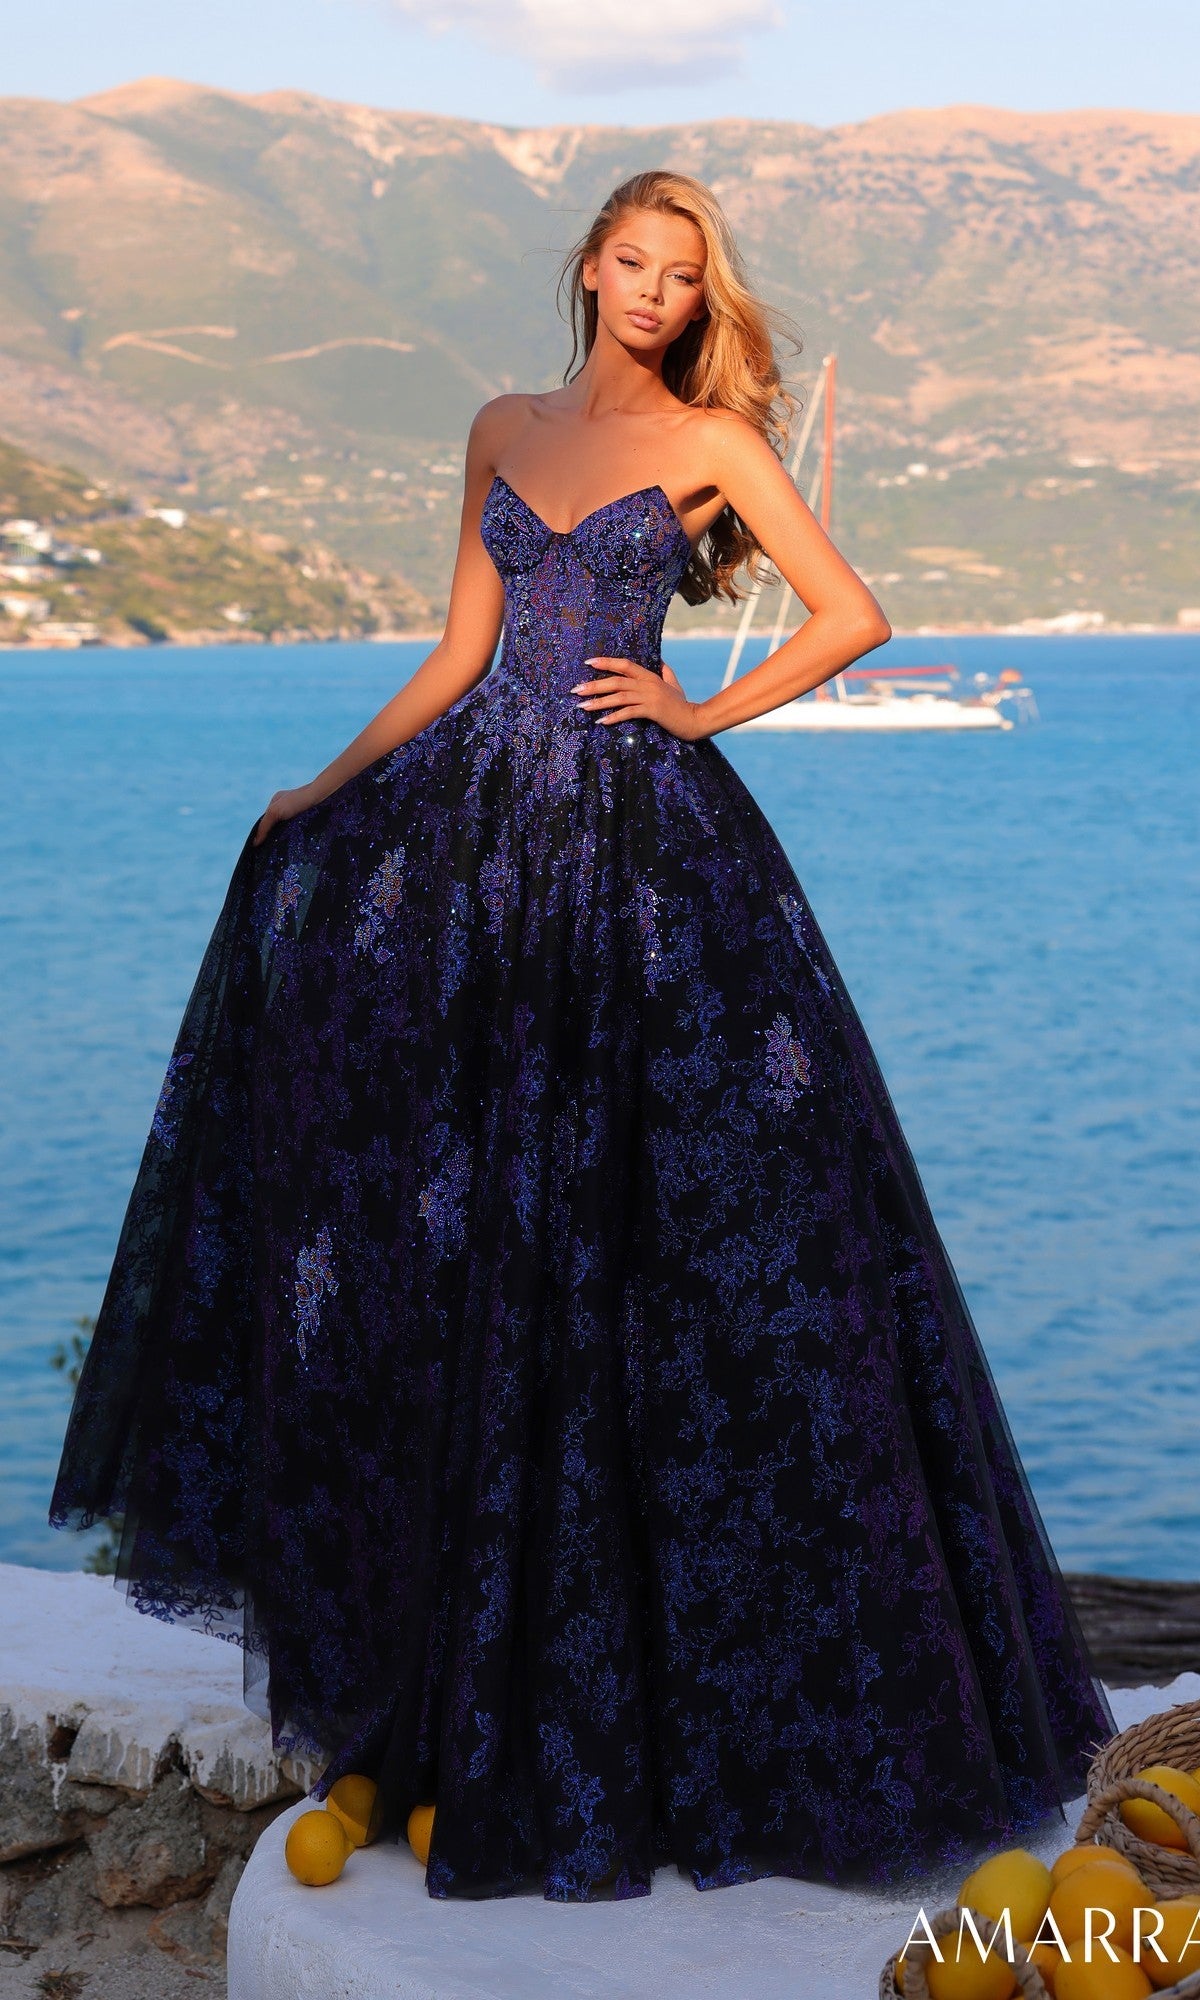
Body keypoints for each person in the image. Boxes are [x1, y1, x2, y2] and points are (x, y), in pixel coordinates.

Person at [49, 168, 1115, 1904]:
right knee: (470, 1242)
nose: (651, 292)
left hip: (645, 866)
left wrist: (697, 706)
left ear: (702, 300)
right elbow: (463, 651)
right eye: (632, 261)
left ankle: (695, 1700)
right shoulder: (498, 424)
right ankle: (487, 1668)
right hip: (481, 864)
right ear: (589, 265)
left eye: (681, 276)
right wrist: (324, 790)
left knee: (684, 1256)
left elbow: (855, 616)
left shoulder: (718, 445)